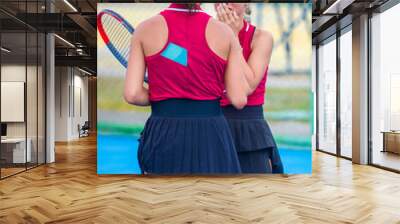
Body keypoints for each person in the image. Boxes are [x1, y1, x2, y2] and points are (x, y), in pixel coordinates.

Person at [124, 3, 250, 174]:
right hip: (211, 134)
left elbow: (132, 94)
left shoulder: (145, 29)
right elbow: (239, 99)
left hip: (164, 131)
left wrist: (164, 97)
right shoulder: (225, 33)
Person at [215, 3, 284, 173]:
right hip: (213, 122)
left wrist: (233, 38)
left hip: (248, 127)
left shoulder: (262, 37)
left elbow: (247, 86)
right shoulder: (206, 33)